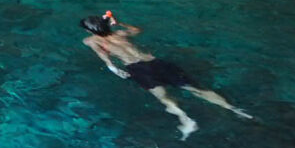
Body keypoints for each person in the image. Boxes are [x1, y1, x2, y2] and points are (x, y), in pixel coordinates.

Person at [80, 12, 252, 139]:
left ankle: (186, 120)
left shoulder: (90, 41)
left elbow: (104, 57)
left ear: (90, 30)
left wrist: (113, 68)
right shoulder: (120, 33)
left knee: (163, 97)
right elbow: (138, 30)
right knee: (194, 88)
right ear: (106, 24)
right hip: (156, 62)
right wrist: (118, 22)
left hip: (137, 69)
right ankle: (233, 109)